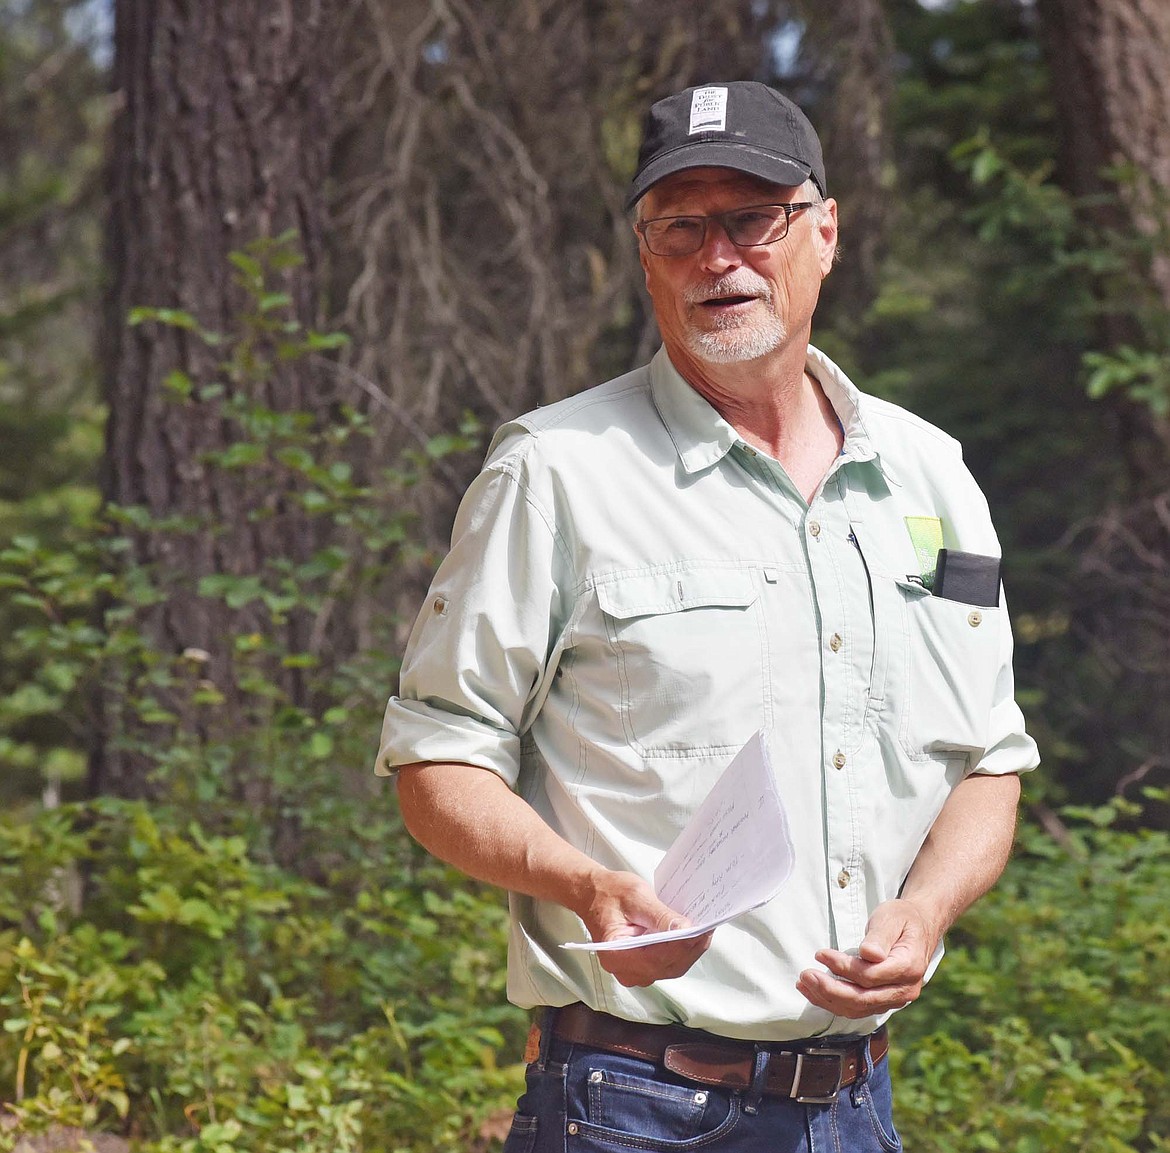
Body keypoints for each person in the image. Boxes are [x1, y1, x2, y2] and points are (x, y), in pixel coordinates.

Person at [375, 80, 1039, 1152]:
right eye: (681, 226)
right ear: (647, 256)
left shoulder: (932, 475)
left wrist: (927, 912)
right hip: (628, 1101)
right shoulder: (557, 471)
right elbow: (435, 762)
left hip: (858, 1105)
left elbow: (987, 763)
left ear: (825, 233)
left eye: (752, 219)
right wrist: (586, 887)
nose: (717, 257)